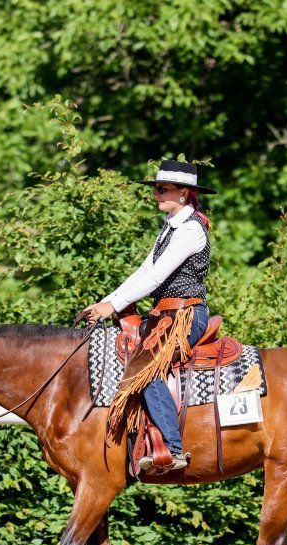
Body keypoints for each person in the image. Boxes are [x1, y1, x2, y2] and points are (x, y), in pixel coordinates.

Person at [80, 159, 214, 471]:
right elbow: (144, 271)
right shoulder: (169, 228)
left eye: (162, 189)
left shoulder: (191, 230)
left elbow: (155, 279)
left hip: (186, 314)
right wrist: (105, 302)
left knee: (146, 369)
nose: (156, 194)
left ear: (184, 194)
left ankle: (173, 447)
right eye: (156, 188)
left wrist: (111, 307)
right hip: (164, 315)